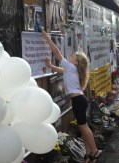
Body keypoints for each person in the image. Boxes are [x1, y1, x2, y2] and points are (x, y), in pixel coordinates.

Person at [41, 27, 102, 163]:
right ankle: (88, 154)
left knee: (84, 127)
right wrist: (51, 66)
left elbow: (56, 52)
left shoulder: (70, 66)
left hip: (78, 101)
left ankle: (95, 151)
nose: (70, 57)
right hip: (79, 100)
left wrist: (46, 37)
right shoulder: (71, 69)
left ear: (76, 62)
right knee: (82, 126)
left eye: (73, 57)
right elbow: (62, 71)